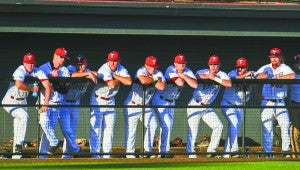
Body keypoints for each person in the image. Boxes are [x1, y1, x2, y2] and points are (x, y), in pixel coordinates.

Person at [1, 53, 51, 159]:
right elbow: (18, 84)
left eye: (32, 63)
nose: (30, 65)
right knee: (24, 116)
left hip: (22, 101)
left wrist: (46, 102)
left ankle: (16, 156)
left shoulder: (37, 71)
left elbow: (47, 85)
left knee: (19, 124)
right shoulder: (20, 70)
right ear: (24, 63)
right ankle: (19, 144)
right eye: (28, 63)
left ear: (35, 63)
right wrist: (32, 89)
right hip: (11, 100)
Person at [152, 54, 198, 158]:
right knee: (166, 125)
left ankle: (162, 152)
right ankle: (164, 151)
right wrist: (185, 78)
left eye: (183, 63)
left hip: (172, 101)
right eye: (179, 63)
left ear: (185, 63)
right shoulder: (170, 69)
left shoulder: (187, 71)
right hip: (161, 100)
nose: (181, 65)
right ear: (175, 64)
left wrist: (183, 75)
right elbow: (180, 83)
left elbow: (195, 85)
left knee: (167, 126)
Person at [186, 55, 232, 159]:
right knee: (193, 129)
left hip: (207, 107)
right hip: (195, 104)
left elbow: (228, 84)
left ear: (219, 65)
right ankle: (190, 152)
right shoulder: (202, 71)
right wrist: (209, 76)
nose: (213, 67)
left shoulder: (222, 74)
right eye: (211, 64)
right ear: (208, 64)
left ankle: (211, 150)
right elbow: (197, 76)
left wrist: (215, 78)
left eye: (215, 64)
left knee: (218, 126)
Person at [90, 50, 132, 158]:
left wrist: (116, 76)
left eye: (115, 61)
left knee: (109, 129)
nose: (113, 63)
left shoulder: (121, 68)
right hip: (98, 100)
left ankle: (106, 155)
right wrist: (119, 78)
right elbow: (112, 85)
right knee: (96, 129)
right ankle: (95, 155)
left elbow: (129, 82)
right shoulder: (104, 69)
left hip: (110, 100)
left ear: (119, 61)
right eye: (111, 60)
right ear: (107, 60)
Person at [256, 47, 295, 158]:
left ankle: (285, 150)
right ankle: (268, 152)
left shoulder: (284, 67)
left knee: (285, 125)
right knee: (266, 127)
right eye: (272, 57)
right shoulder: (265, 67)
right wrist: (266, 76)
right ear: (270, 57)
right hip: (266, 102)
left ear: (280, 57)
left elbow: (292, 76)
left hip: (280, 102)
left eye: (276, 57)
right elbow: (256, 77)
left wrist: (278, 78)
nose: (274, 59)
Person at [124, 56, 166, 159]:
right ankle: (130, 154)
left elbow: (162, 87)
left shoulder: (158, 73)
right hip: (132, 104)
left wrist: (152, 79)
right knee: (131, 130)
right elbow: (143, 81)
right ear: (146, 65)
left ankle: (146, 150)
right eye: (151, 66)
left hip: (145, 105)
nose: (153, 68)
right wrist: (155, 79)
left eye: (155, 66)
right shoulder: (141, 70)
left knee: (153, 124)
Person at [60, 55, 98, 158]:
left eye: (82, 64)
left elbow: (97, 74)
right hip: (65, 103)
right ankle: (76, 150)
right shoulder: (70, 68)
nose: (80, 66)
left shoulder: (88, 70)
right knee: (66, 130)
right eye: (78, 64)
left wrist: (88, 73)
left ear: (86, 64)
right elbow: (71, 75)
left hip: (76, 103)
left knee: (72, 130)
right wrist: (87, 74)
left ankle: (66, 156)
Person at [38, 47, 71, 158]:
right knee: (44, 122)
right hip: (44, 101)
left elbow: (65, 90)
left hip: (57, 103)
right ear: (55, 55)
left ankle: (43, 156)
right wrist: (50, 77)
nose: (63, 60)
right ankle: (55, 142)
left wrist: (53, 83)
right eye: (61, 57)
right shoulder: (43, 68)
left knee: (48, 130)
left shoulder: (65, 70)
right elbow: (37, 85)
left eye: (64, 58)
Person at [220, 57, 254, 158]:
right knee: (233, 123)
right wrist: (245, 75)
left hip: (240, 107)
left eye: (242, 67)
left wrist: (250, 76)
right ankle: (234, 150)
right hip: (228, 104)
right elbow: (232, 80)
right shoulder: (232, 73)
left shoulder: (250, 76)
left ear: (247, 67)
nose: (239, 69)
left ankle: (226, 153)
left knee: (233, 128)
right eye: (238, 67)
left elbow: (259, 78)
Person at [288, 52, 300, 158]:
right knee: (294, 128)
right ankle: (296, 154)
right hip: (295, 104)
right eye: (296, 63)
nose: (297, 65)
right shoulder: (291, 74)